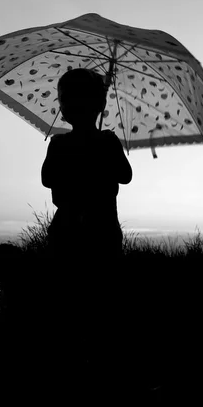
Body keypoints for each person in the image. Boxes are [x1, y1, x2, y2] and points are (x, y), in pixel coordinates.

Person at [41, 67, 133, 268]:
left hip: (70, 229)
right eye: (66, 98)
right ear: (101, 104)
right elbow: (125, 176)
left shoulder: (59, 143)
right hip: (101, 229)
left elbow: (46, 179)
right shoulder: (107, 141)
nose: (69, 103)